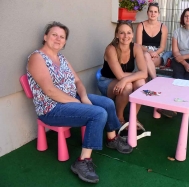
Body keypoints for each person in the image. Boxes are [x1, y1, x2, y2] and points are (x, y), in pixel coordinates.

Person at [27, 21, 133, 184]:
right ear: (45, 37)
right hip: (52, 108)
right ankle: (82, 161)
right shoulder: (37, 57)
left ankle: (112, 139)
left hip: (71, 100)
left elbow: (77, 82)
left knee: (107, 103)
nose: (58, 39)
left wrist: (83, 97)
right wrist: (79, 103)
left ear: (65, 42)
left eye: (62, 37)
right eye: (54, 35)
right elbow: (50, 91)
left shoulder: (61, 58)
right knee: (98, 114)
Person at [97, 21, 147, 127]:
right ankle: (119, 118)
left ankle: (133, 117)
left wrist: (125, 79)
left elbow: (144, 73)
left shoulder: (136, 48)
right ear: (117, 35)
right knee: (127, 86)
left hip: (123, 80)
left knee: (141, 83)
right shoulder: (111, 49)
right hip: (107, 81)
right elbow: (120, 75)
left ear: (133, 35)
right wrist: (127, 79)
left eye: (129, 33)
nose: (126, 36)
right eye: (122, 33)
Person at [136, 2, 171, 79]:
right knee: (145, 56)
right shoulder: (141, 26)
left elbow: (162, 47)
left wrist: (154, 53)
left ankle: (147, 83)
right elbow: (138, 45)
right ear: (147, 13)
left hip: (157, 54)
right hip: (144, 51)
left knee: (146, 62)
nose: (153, 14)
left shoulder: (163, 27)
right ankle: (154, 79)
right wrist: (149, 51)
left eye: (155, 12)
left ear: (158, 14)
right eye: (151, 11)